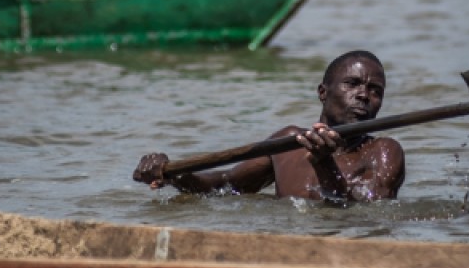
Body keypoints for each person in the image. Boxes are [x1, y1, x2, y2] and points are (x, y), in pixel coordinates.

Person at [133, 50, 406, 203]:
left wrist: (325, 164)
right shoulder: (288, 143)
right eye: (353, 84)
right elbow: (226, 186)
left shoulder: (383, 151)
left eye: (375, 90)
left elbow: (363, 211)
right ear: (323, 92)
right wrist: (176, 176)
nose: (363, 95)